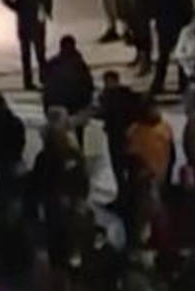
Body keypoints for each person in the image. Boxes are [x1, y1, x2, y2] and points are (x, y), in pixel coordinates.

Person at [97, 71, 140, 210]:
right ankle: (131, 197)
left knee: (119, 170)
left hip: (116, 137)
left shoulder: (108, 97)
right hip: (129, 137)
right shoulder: (128, 94)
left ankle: (123, 198)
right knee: (129, 169)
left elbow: (104, 114)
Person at [42, 36, 94, 146]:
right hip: (75, 106)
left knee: (57, 135)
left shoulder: (53, 63)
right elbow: (88, 86)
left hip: (56, 104)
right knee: (78, 135)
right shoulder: (79, 64)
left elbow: (44, 82)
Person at [2, 0, 52, 89]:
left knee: (28, 56)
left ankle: (29, 82)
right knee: (39, 54)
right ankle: (43, 79)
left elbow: (15, 6)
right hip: (36, 24)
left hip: (26, 25)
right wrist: (47, 11)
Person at [149, 0, 195, 95]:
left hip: (166, 16)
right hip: (178, 17)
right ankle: (183, 83)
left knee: (164, 54)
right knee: (179, 53)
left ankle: (158, 83)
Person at [125, 101, 173, 188]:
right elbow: (132, 155)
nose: (155, 111)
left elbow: (170, 148)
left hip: (162, 173)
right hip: (145, 176)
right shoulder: (135, 130)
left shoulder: (165, 125)